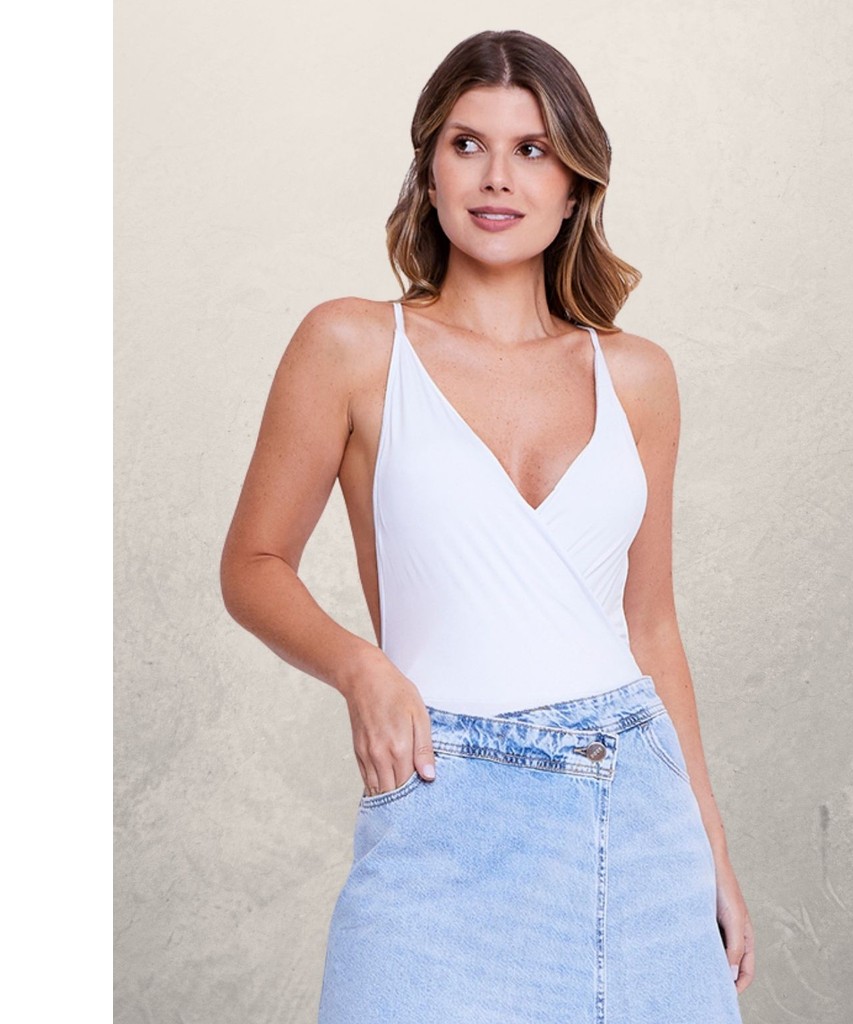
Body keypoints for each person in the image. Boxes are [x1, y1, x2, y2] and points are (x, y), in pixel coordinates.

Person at [221, 28, 754, 1023]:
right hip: (443, 811)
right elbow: (252, 564)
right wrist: (362, 669)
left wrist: (711, 848)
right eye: (467, 144)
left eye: (532, 149)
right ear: (428, 173)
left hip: (637, 826)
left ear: (575, 186)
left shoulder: (637, 376)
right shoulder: (351, 345)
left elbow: (651, 627)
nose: (497, 176)